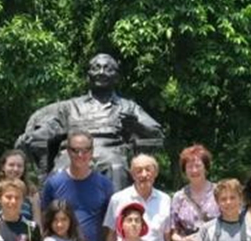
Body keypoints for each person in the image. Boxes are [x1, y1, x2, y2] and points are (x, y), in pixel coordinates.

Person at [17, 53, 164, 191]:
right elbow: (51, 127)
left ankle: (117, 216)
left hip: (110, 152)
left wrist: (136, 126)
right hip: (73, 153)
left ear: (116, 77)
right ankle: (58, 216)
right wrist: (34, 135)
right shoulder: (69, 106)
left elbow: (156, 132)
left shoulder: (128, 107)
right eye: (96, 68)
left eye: (108, 69)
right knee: (61, 169)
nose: (101, 72)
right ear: (88, 76)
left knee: (116, 167)